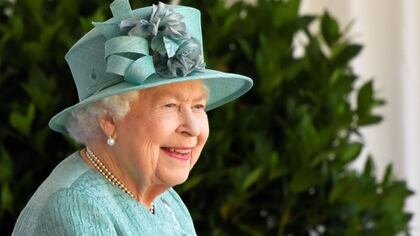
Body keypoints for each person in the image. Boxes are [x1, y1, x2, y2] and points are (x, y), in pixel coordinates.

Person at [12, 0, 252, 235]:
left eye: (198, 106)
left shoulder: (166, 200)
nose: (192, 128)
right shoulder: (76, 207)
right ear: (109, 119)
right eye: (170, 105)